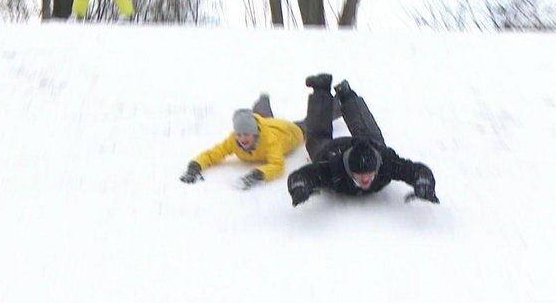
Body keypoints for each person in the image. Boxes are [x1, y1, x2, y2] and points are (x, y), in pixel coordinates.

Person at [287, 74, 439, 206]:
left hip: (369, 145)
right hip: (332, 150)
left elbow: (415, 170)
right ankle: (321, 89)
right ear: (350, 171)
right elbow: (303, 175)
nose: (366, 179)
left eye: (370, 173)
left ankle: (347, 94)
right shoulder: (333, 169)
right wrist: (300, 187)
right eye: (360, 174)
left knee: (371, 134)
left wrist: (424, 183)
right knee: (316, 141)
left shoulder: (386, 164)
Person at [181, 94, 305, 190]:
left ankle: (320, 93)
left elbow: (277, 166)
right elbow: (213, 154)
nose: (242, 139)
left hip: (290, 131)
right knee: (261, 114)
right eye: (239, 134)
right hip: (265, 122)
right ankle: (263, 99)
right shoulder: (234, 140)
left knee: (312, 126)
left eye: (246, 134)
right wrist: (194, 167)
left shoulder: (270, 141)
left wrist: (256, 175)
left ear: (254, 133)